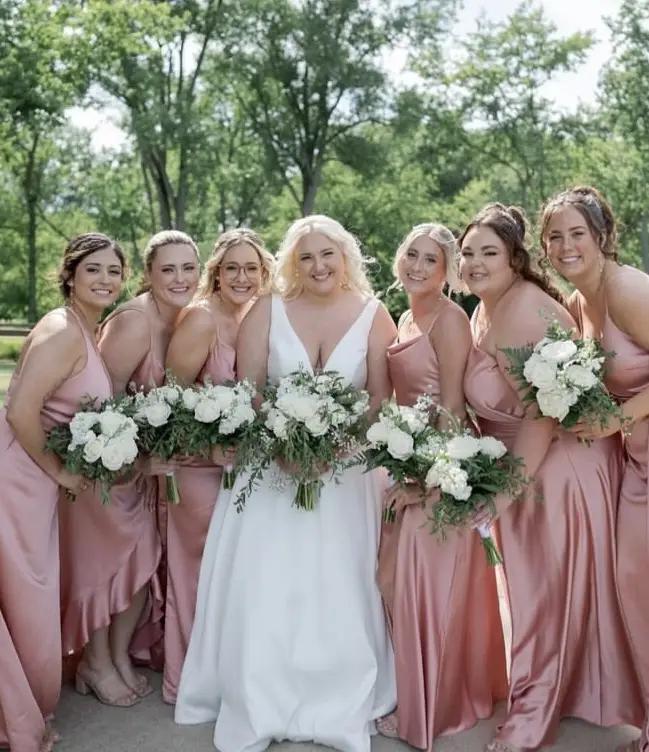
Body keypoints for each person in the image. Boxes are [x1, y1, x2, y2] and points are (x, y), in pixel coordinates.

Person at [175, 215, 397, 752]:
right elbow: (250, 390)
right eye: (305, 257)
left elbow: (379, 400)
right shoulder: (267, 310)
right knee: (271, 580)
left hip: (346, 474)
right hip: (270, 470)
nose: (318, 266)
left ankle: (337, 690)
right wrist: (282, 443)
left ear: (346, 256)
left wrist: (339, 446)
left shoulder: (375, 314)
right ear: (292, 263)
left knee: (337, 581)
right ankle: (262, 690)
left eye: (328, 254)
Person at [460, 203, 642, 752]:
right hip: (536, 464)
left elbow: (543, 412)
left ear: (516, 259)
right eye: (467, 252)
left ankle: (532, 719)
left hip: (559, 470)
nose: (474, 262)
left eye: (489, 252)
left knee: (544, 597)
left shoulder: (527, 312)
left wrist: (506, 490)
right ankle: (572, 693)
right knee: (544, 592)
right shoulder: (483, 311)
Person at [376, 223, 507, 749]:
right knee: (390, 581)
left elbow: (453, 409)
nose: (417, 267)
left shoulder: (450, 321)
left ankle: (434, 706)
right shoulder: (406, 316)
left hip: (440, 470)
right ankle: (417, 687)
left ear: (448, 271)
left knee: (421, 591)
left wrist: (428, 481)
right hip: (406, 458)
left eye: (431, 260)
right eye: (412, 254)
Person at [58, 230, 200, 704]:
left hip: (140, 470)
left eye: (188, 268)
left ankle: (116, 657)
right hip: (107, 469)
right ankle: (94, 661)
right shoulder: (135, 322)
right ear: (148, 274)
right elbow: (102, 406)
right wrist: (136, 459)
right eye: (168, 269)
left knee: (140, 563)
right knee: (106, 567)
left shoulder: (180, 320)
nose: (179, 278)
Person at [0, 233, 125, 751]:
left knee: (22, 595)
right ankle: (17, 717)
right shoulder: (62, 331)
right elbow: (19, 411)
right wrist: (63, 473)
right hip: (16, 477)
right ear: (70, 274)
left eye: (114, 272)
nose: (104, 279)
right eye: (93, 269)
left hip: (32, 479)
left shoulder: (83, 328)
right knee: (24, 597)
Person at [540, 185, 649, 752]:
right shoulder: (579, 303)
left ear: (602, 236)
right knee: (634, 584)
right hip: (636, 460)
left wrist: (617, 418)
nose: (564, 245)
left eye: (576, 233)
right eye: (554, 236)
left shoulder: (628, 288)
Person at [162, 229, 274, 704]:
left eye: (251, 268)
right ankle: (184, 677)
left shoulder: (260, 318)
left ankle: (224, 673)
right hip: (197, 468)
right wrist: (208, 448)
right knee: (196, 571)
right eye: (232, 268)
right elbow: (170, 397)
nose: (242, 277)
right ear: (217, 273)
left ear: (264, 273)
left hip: (244, 469)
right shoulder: (202, 321)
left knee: (233, 571)